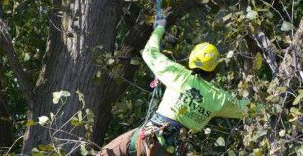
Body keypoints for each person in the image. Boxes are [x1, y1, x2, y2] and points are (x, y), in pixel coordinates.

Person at [98, 17, 253, 156]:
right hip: (172, 146)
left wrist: (159, 28)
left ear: (191, 61)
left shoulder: (179, 75)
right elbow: (251, 109)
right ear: (215, 69)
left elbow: (149, 52)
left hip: (151, 135)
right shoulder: (219, 98)